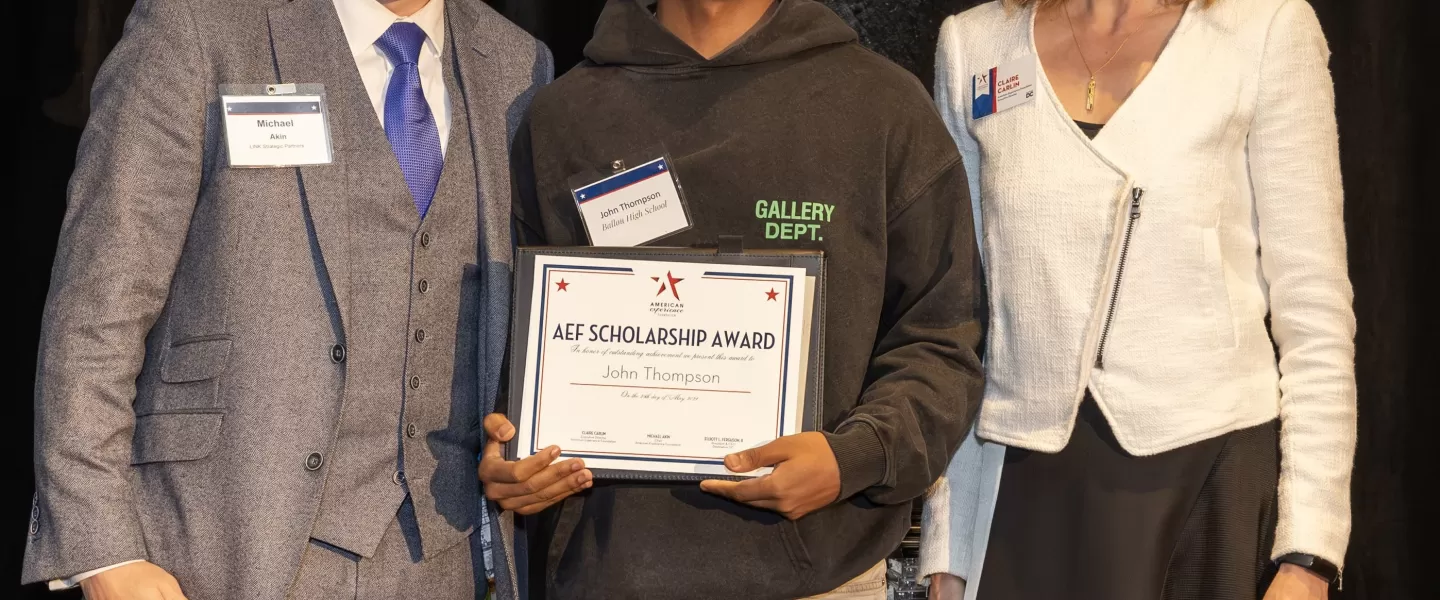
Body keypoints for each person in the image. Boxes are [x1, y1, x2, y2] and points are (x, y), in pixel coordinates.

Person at [21, 0, 550, 598]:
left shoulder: (516, 62)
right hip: (219, 545)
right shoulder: (198, 24)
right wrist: (105, 552)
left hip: (442, 559)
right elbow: (98, 308)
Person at [480, 0, 987, 598]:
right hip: (605, 577)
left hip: (822, 582)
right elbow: (508, 344)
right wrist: (505, 457)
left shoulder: (884, 110)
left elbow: (943, 339)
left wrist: (852, 459)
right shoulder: (561, 117)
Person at [921, 0, 1355, 599]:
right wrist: (948, 542)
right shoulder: (974, 43)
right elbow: (959, 316)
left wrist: (1309, 554)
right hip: (1024, 486)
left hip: (1208, 478)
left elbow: (1315, 315)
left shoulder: (1264, 30)